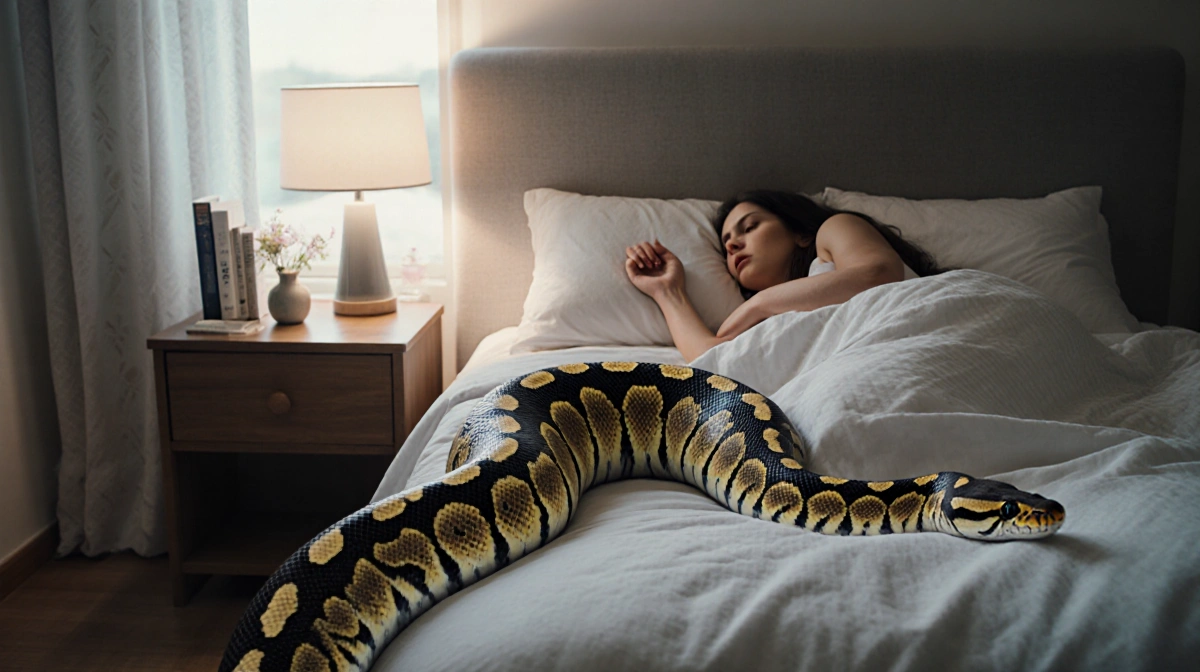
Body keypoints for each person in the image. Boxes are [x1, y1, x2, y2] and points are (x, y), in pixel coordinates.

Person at [625, 189, 947, 361]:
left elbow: (878, 274)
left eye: (750, 227)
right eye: (726, 246)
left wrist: (757, 305)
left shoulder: (832, 231)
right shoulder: (774, 322)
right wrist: (667, 290)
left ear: (800, 233)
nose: (734, 245)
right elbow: (716, 358)